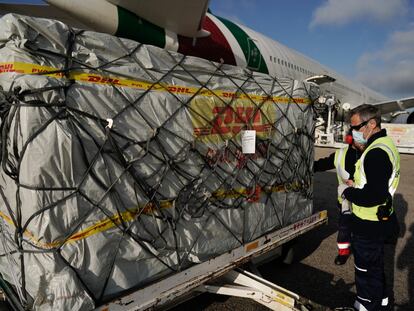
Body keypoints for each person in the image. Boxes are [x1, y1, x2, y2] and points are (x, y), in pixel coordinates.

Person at [340, 104, 400, 311]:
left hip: (369, 222)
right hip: (379, 220)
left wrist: (348, 192)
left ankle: (366, 305)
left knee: (365, 269)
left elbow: (374, 195)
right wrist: (356, 185)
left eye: (356, 127)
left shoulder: (375, 153)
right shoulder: (384, 144)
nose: (352, 132)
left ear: (371, 124)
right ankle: (382, 302)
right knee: (376, 267)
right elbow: (374, 184)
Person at [314, 132, 360, 265]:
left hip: (363, 202)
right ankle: (343, 253)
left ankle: (359, 249)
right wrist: (308, 167)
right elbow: (324, 164)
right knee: (344, 228)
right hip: (345, 201)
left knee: (361, 230)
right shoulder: (341, 153)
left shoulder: (369, 154)